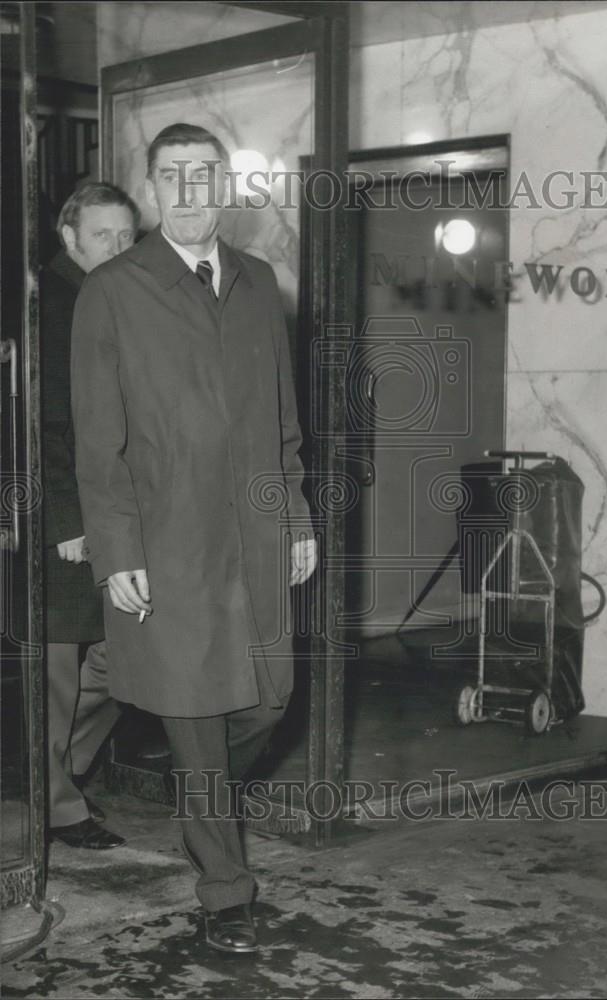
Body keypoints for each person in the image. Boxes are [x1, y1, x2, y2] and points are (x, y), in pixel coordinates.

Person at [70, 123, 317, 954]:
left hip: (253, 532)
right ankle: (225, 891)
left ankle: (199, 795)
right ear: (151, 191)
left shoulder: (256, 281)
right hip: (168, 542)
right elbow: (97, 444)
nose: (189, 190)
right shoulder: (112, 291)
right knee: (200, 717)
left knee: (272, 698)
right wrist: (117, 551)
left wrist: (297, 515)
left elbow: (283, 420)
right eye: (172, 177)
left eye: (204, 175)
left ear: (225, 186)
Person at [42, 181, 140, 851]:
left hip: (122, 512)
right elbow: (37, 425)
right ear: (69, 237)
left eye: (126, 236)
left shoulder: (121, 300)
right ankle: (57, 805)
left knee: (124, 651)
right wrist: (68, 522)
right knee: (58, 667)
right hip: (67, 520)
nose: (116, 247)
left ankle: (59, 775)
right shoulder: (46, 306)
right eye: (102, 235)